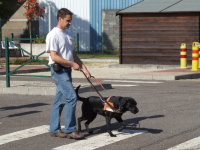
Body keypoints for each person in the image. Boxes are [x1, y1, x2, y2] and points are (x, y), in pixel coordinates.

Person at [46, 8, 90, 139]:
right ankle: (71, 130)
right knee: (71, 97)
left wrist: (84, 69)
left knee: (59, 101)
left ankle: (54, 129)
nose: (70, 23)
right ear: (60, 18)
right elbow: (53, 56)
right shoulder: (53, 35)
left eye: (70, 20)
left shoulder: (67, 34)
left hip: (66, 70)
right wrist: (71, 64)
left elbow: (73, 55)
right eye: (68, 20)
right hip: (58, 70)